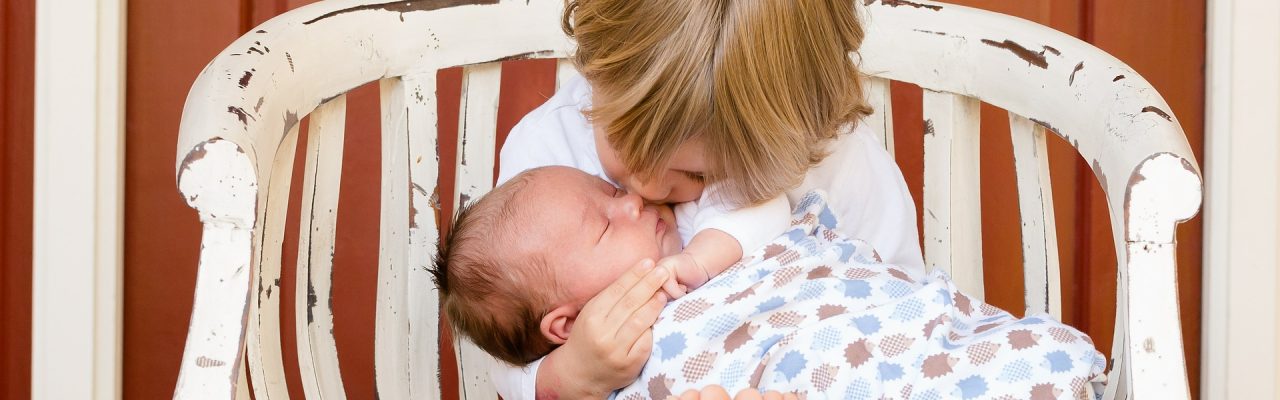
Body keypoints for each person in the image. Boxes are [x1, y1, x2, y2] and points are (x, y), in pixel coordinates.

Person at [491, 0, 923, 398]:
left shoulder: (837, 158)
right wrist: (572, 375)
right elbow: (507, 344)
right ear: (596, 73)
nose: (649, 191)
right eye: (626, 146)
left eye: (700, 174)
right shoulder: (548, 155)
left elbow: (904, 300)